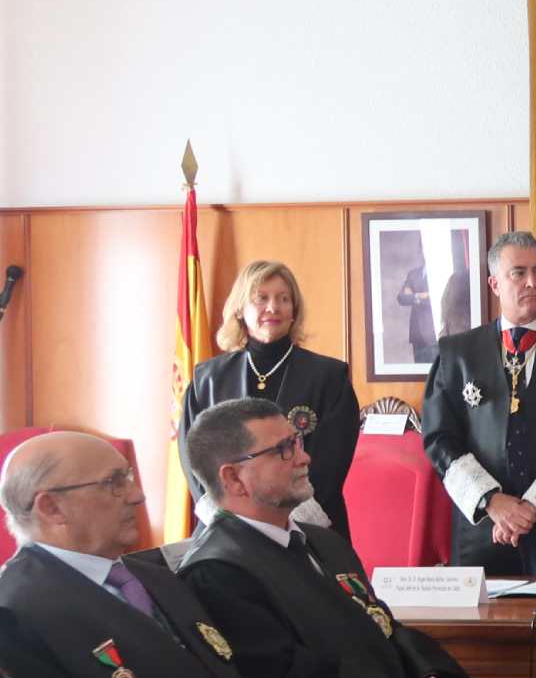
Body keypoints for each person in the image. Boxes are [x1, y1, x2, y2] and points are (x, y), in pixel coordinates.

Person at [179, 397, 466, 678]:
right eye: (283, 449)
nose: (304, 458)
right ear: (232, 478)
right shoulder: (217, 573)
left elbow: (383, 628)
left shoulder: (324, 542)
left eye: (296, 442)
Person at [422, 231, 536, 575]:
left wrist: (530, 509)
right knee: (484, 628)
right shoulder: (456, 356)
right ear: (494, 284)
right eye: (518, 273)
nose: (532, 282)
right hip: (481, 530)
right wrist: (492, 502)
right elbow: (439, 440)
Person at [0, 432, 241, 677]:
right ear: (52, 508)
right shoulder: (14, 614)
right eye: (113, 483)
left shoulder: (158, 577)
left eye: (128, 477)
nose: (137, 495)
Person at [178, 260, 359, 536]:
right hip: (227, 531)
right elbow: (194, 460)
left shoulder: (329, 377)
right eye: (261, 298)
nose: (273, 308)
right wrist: (235, 516)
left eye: (283, 299)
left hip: (307, 529)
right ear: (240, 309)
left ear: (294, 310)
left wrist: (276, 519)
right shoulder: (208, 379)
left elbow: (329, 466)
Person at [397, 264, 439, 363]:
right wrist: (420, 295)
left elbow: (439, 298)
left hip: (435, 334)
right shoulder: (413, 273)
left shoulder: (443, 270)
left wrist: (413, 296)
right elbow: (401, 298)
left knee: (436, 374)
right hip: (417, 335)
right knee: (420, 374)